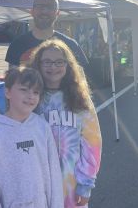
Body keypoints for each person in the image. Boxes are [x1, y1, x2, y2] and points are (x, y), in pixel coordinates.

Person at [29, 39, 102, 208]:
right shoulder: (30, 98)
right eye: (47, 61)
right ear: (38, 64)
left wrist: (85, 184)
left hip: (71, 185)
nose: (53, 67)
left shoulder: (80, 100)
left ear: (68, 65)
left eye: (59, 62)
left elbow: (93, 144)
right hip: (37, 183)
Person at [0, 67, 64, 208]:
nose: (31, 96)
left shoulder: (42, 127)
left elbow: (54, 172)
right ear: (7, 92)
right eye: (24, 89)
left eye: (36, 92)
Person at [5, 0, 88, 70]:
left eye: (50, 7)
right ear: (32, 12)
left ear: (57, 13)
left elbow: (81, 81)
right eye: (40, 6)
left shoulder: (71, 46)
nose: (44, 10)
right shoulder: (16, 45)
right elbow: (12, 82)